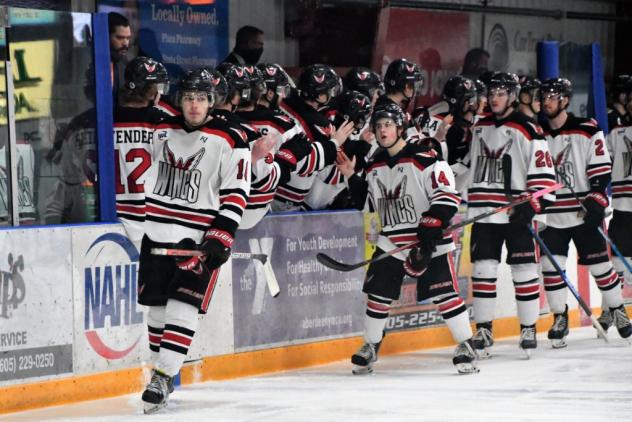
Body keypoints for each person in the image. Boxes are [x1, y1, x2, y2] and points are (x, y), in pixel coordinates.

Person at [138, 69, 250, 413]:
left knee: (182, 307)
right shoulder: (160, 130)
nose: (194, 105)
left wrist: (220, 235)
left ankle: (162, 376)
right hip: (156, 233)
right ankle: (163, 371)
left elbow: (236, 192)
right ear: (179, 100)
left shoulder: (231, 138)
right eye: (188, 97)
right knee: (156, 312)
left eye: (201, 98)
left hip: (197, 239)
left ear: (211, 101)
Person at [337, 103, 477, 375]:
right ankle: (370, 345)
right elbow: (370, 204)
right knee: (377, 295)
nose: (382, 130)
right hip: (392, 241)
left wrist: (430, 224)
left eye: (388, 124)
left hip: (429, 240)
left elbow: (447, 196)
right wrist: (351, 177)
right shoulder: (375, 163)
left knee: (444, 292)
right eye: (378, 126)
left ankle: (466, 344)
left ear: (400, 127)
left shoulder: (424, 157)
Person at [462, 72, 557, 357]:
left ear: (513, 96)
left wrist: (532, 205)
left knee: (525, 271)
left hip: (516, 214)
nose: (494, 98)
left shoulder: (528, 128)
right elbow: (468, 166)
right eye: (491, 93)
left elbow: (545, 176)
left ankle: (528, 327)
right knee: (483, 271)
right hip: (483, 213)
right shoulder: (480, 126)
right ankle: (484, 329)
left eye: (500, 93)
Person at [538, 77, 631, 347]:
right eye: (543, 97)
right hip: (553, 215)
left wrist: (596, 197)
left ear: (565, 100)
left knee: (601, 265)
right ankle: (560, 317)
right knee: (550, 267)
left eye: (552, 97)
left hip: (581, 213)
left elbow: (601, 169)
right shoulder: (538, 134)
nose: (546, 102)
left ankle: (618, 310)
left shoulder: (587, 128)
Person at [235, 65, 312, 229]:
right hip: (259, 213)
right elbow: (308, 160)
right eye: (281, 91)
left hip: (222, 213)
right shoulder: (281, 123)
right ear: (267, 93)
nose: (283, 97)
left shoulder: (220, 123)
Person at [273, 64, 354, 210]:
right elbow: (332, 176)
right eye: (329, 90)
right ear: (319, 95)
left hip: (268, 185)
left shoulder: (283, 102)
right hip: (287, 200)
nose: (332, 94)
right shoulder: (321, 125)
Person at [113, 56, 170, 248]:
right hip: (149, 219)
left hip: (112, 217)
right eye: (158, 87)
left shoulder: (107, 117)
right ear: (150, 91)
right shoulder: (162, 121)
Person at [606, 77, 632, 299]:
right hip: (623, 204)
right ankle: (612, 307)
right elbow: (602, 165)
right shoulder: (616, 133)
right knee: (619, 253)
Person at [109, 12, 132, 105]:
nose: (125, 43)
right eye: (120, 38)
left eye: (128, 38)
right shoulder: (90, 62)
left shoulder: (125, 64)